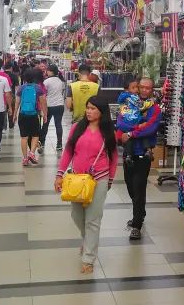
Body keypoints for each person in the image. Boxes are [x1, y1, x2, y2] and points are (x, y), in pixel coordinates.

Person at [54, 97, 118, 274]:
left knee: (93, 220)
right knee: (77, 216)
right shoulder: (77, 128)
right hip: (76, 180)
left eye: (93, 108)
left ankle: (89, 258)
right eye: (88, 108)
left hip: (100, 179)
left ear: (101, 112)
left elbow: (113, 159)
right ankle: (87, 240)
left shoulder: (108, 133)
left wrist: (110, 180)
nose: (89, 111)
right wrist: (60, 174)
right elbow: (68, 152)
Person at [117, 77, 161, 240]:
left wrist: (131, 133)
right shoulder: (127, 104)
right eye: (141, 87)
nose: (143, 90)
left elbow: (151, 128)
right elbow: (121, 124)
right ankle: (140, 212)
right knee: (130, 186)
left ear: (152, 90)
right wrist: (137, 127)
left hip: (143, 154)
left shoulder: (154, 108)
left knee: (139, 187)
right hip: (128, 154)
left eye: (147, 88)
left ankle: (137, 225)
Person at [14, 68, 47, 167]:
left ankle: (25, 158)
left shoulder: (21, 88)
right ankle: (32, 153)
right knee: (35, 135)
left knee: (24, 137)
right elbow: (43, 102)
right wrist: (45, 114)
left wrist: (15, 113)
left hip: (22, 115)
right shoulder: (38, 88)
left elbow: (17, 102)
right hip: (33, 114)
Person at [41, 64, 67, 153]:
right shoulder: (61, 81)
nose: (46, 72)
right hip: (60, 105)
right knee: (58, 125)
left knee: (45, 124)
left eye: (47, 70)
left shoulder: (46, 82)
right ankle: (59, 144)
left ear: (50, 71)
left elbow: (44, 95)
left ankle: (42, 142)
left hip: (49, 106)